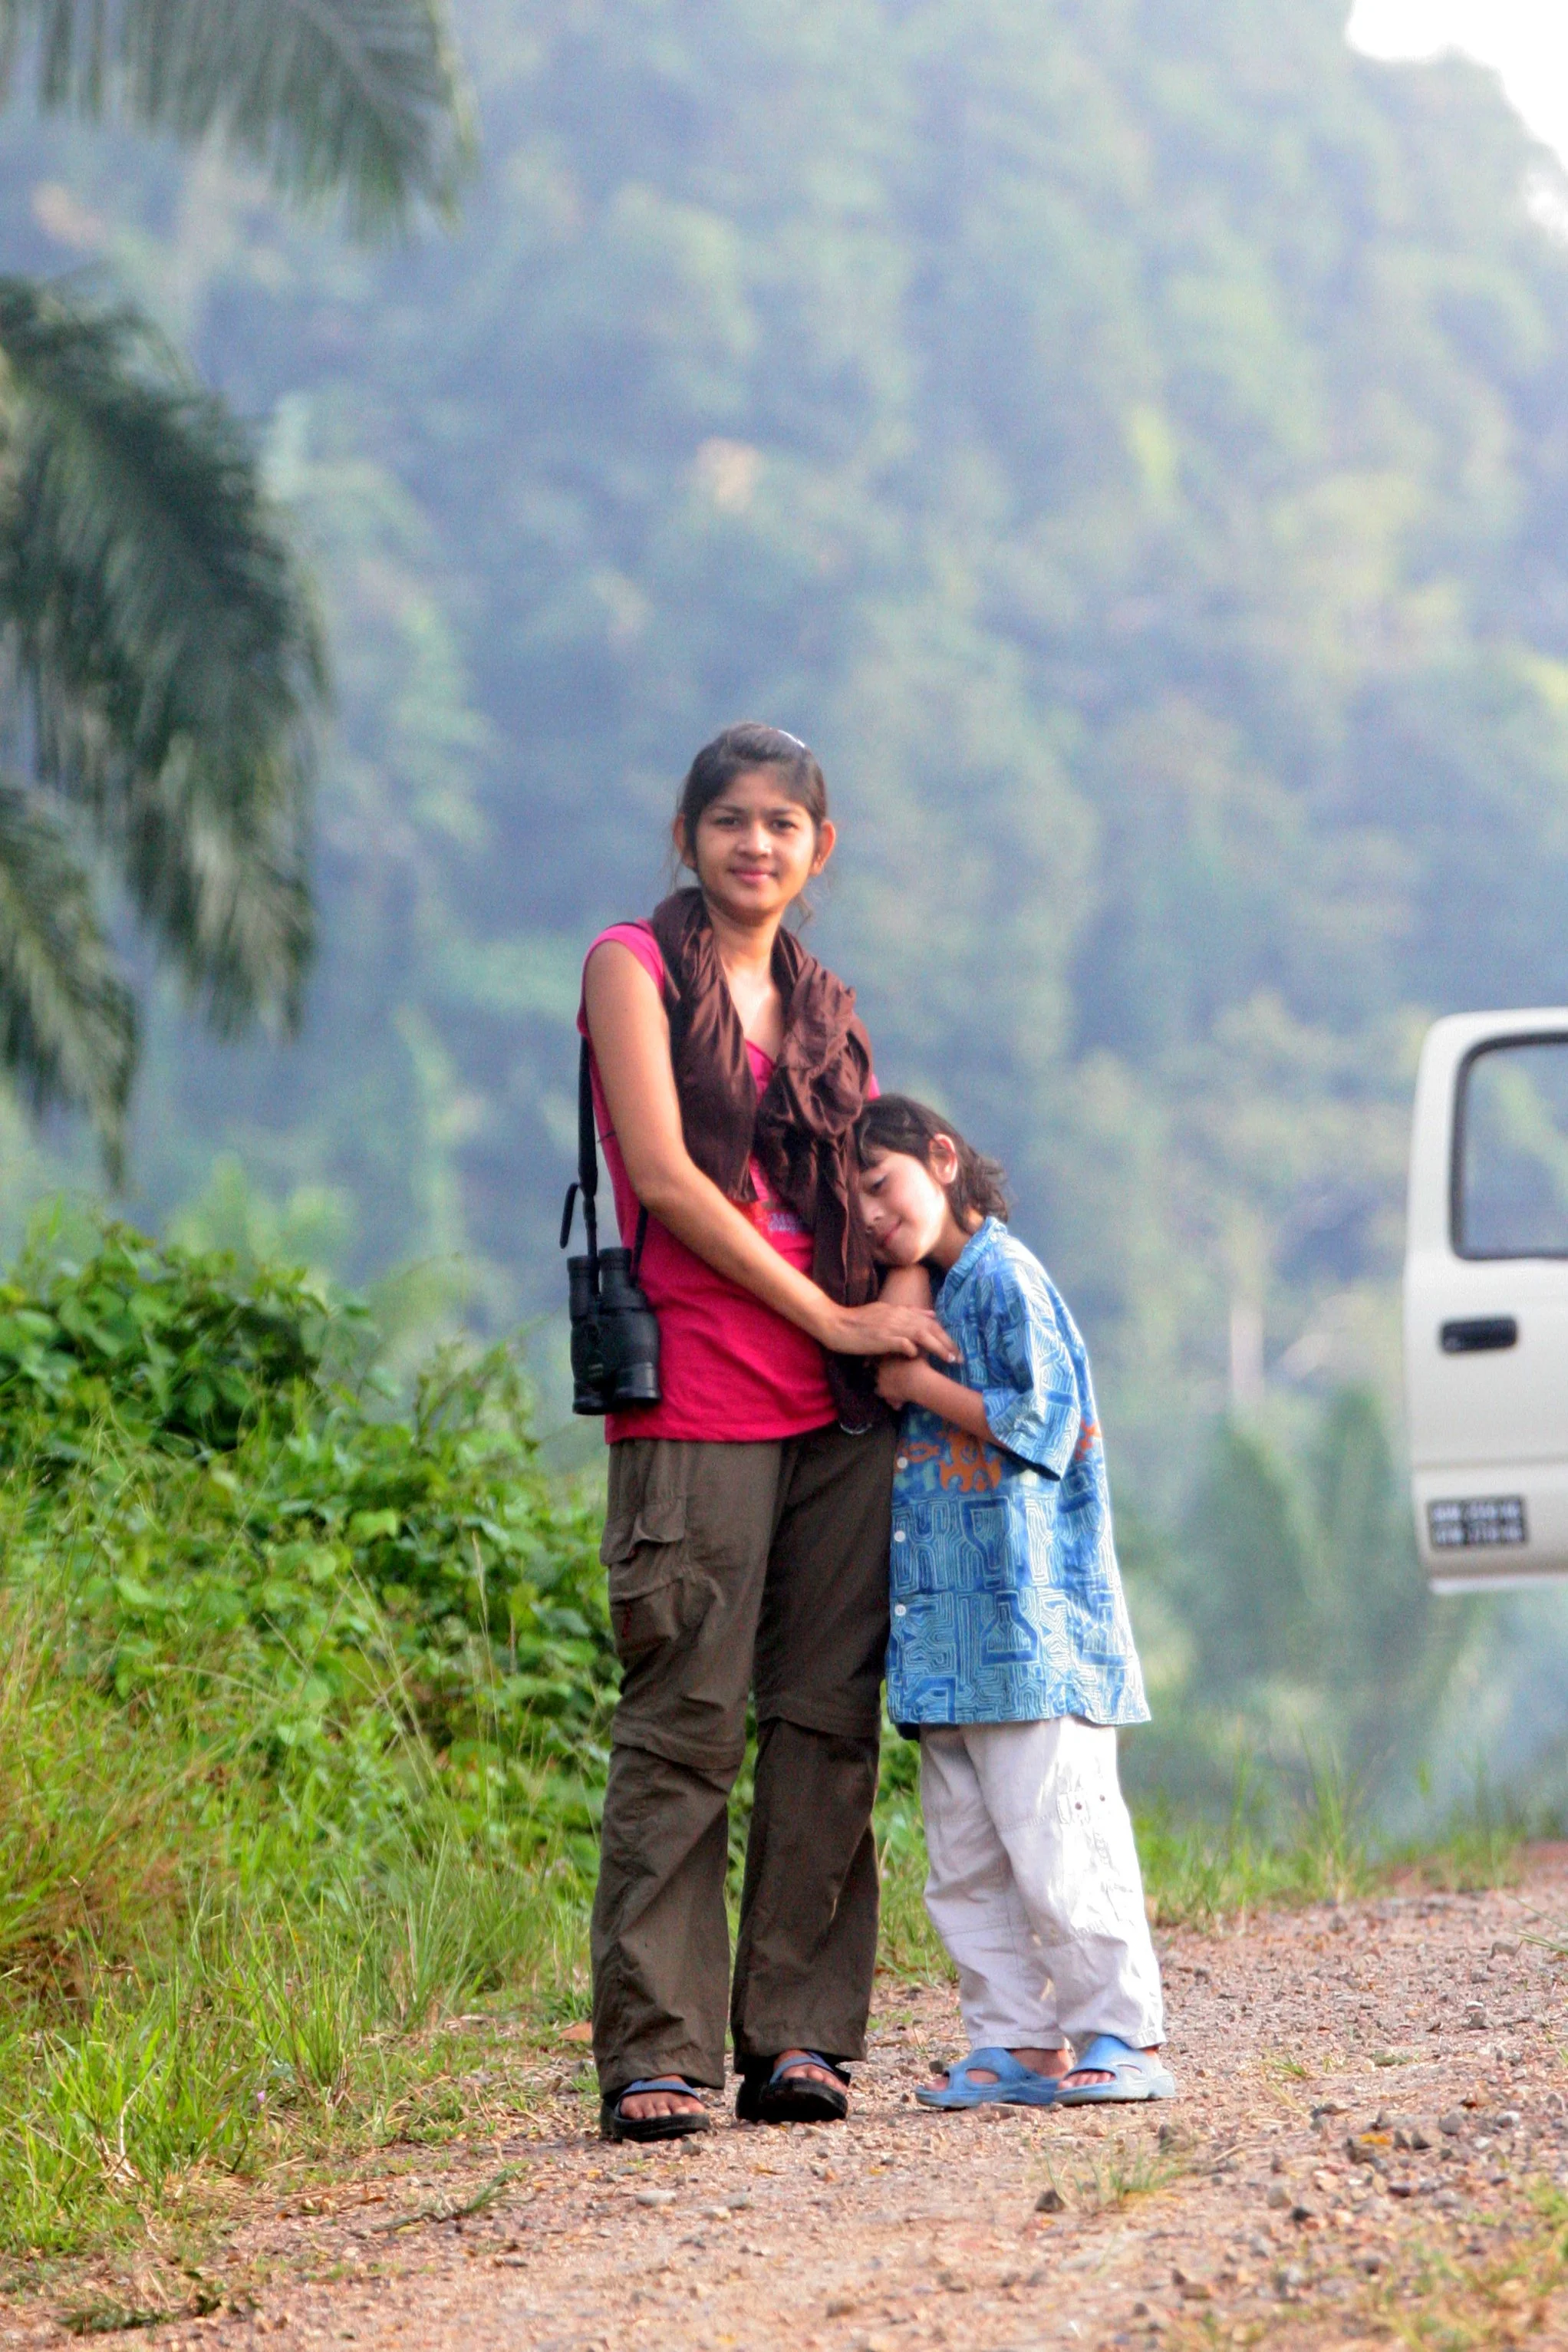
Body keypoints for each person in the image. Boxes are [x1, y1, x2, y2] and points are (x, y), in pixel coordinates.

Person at [579, 723, 957, 2143]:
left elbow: (888, 1182)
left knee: (823, 1726)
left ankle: (799, 2034)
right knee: (684, 1724)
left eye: (782, 824)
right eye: (729, 820)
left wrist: (906, 1307)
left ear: (820, 848)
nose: (755, 844)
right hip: (700, 1396)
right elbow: (670, 1180)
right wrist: (837, 1316)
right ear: (687, 834)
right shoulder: (632, 966)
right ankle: (656, 2049)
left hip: (843, 1411)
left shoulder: (826, 1005)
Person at [854, 1094, 1174, 2107]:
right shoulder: (938, 1288)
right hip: (948, 1643)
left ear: (942, 1159)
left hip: (1031, 1635)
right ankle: (1013, 2041)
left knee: (1062, 1846)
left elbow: (1045, 1418)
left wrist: (917, 1386)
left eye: (881, 1184)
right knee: (964, 1865)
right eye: (853, 1199)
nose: (869, 1214)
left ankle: (1119, 2033)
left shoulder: (1003, 1277)